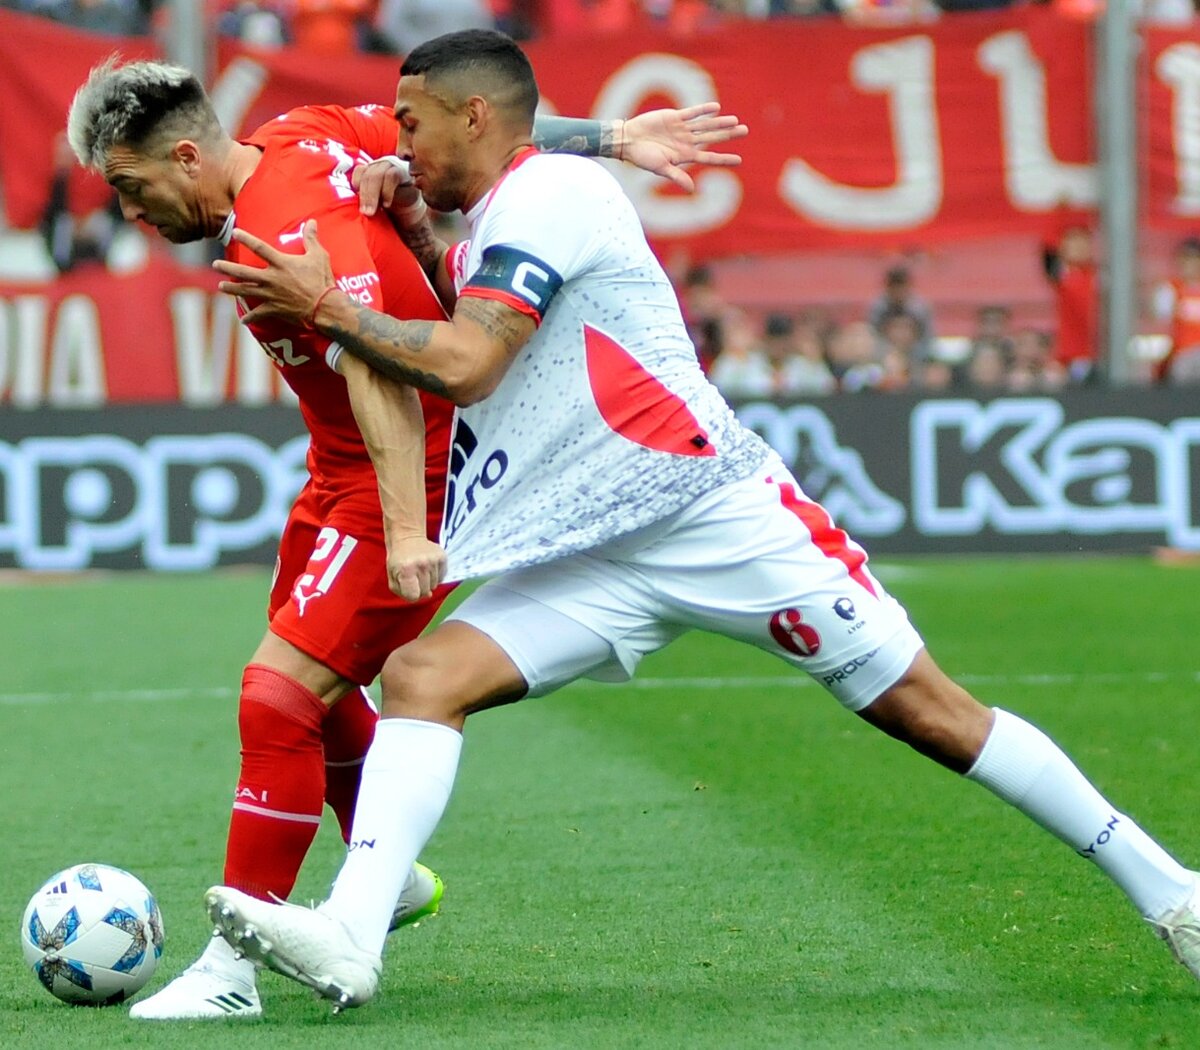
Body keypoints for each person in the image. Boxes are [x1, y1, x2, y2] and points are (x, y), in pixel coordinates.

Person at [203, 29, 1200, 1012]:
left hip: (715, 520)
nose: (400, 146)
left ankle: (1174, 896)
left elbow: (466, 365)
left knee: (934, 716)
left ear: (477, 115)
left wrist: (327, 306)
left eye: (413, 125)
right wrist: (420, 238)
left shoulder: (553, 193)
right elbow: (463, 334)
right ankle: (351, 937)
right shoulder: (505, 211)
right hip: (600, 553)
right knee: (422, 677)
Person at [66, 52, 747, 1021]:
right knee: (323, 695)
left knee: (276, 699)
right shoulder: (306, 132)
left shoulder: (281, 228)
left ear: (183, 156)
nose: (136, 217)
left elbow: (379, 369)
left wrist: (403, 532)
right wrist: (615, 137)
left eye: (133, 190)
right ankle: (386, 884)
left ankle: (230, 972)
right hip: (338, 469)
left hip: (413, 470)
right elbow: (450, 134)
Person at [1151, 235, 1200, 385]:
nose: (1189, 265)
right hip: (1182, 353)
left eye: (1193, 259)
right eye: (1185, 259)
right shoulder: (1170, 289)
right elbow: (1161, 321)